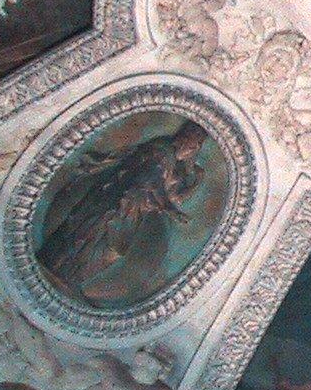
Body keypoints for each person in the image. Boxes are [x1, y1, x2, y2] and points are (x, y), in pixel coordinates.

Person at [36, 120, 208, 294]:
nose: (196, 148)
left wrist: (195, 182)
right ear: (186, 138)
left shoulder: (171, 162)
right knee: (90, 234)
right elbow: (150, 181)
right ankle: (57, 267)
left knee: (107, 246)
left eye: (199, 145)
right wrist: (169, 209)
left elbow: (174, 197)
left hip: (130, 212)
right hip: (118, 201)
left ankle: (69, 275)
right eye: (197, 141)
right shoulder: (162, 151)